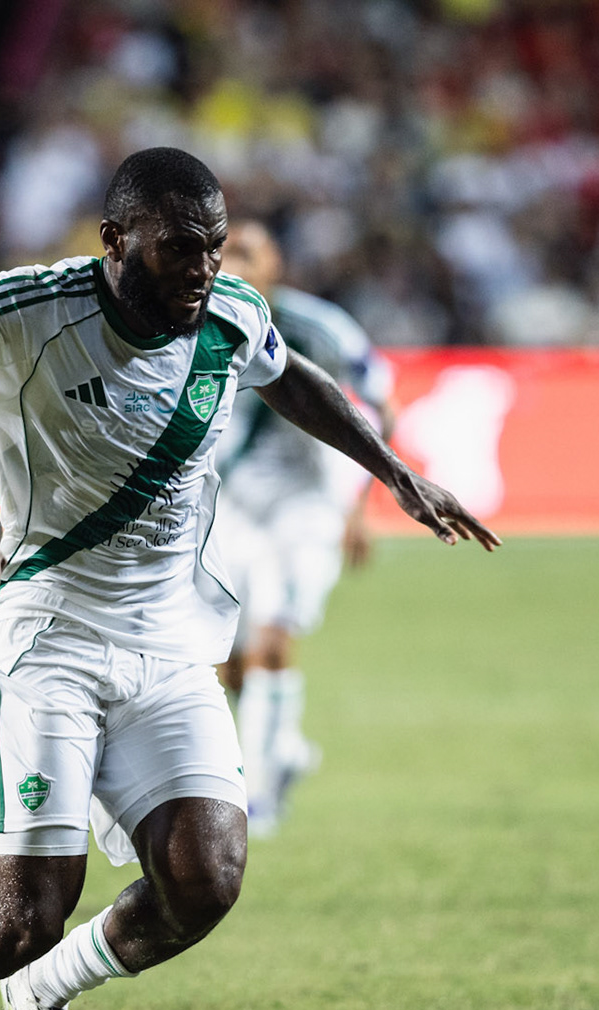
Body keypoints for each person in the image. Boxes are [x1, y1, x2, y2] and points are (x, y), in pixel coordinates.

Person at [0, 147, 498, 1010]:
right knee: (22, 912)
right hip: (48, 638)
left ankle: (46, 989)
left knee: (206, 879)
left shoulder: (235, 314)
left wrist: (395, 472)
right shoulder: (32, 306)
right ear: (116, 241)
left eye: (213, 246)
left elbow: (293, 380)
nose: (203, 267)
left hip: (169, 647)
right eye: (179, 249)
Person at [213, 219, 398, 836]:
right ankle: (283, 749)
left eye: (247, 251)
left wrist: (358, 505)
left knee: (271, 643)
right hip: (230, 506)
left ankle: (257, 794)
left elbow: (380, 402)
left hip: (304, 506)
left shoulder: (319, 327)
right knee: (224, 664)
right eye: (225, 251)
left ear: (274, 267)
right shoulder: (190, 324)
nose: (233, 261)